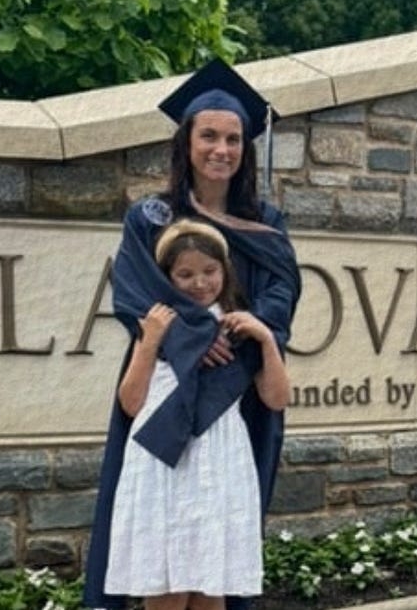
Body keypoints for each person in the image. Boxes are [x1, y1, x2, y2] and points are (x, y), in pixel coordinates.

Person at [84, 58, 302, 610]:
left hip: (236, 388)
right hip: (168, 381)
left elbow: (281, 290)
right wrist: (198, 337)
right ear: (186, 141)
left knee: (216, 550)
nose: (221, 149)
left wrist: (244, 335)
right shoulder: (151, 217)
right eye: (209, 136)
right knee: (162, 548)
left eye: (233, 138)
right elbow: (135, 293)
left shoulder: (266, 222)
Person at [103, 220, 290, 610]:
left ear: (224, 270)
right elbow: (131, 403)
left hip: (220, 457)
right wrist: (150, 341)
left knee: (210, 585)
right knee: (167, 588)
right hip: (162, 461)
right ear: (167, 277)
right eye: (185, 274)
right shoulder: (158, 325)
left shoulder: (238, 327)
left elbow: (276, 398)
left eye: (209, 270)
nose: (200, 283)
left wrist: (266, 339)